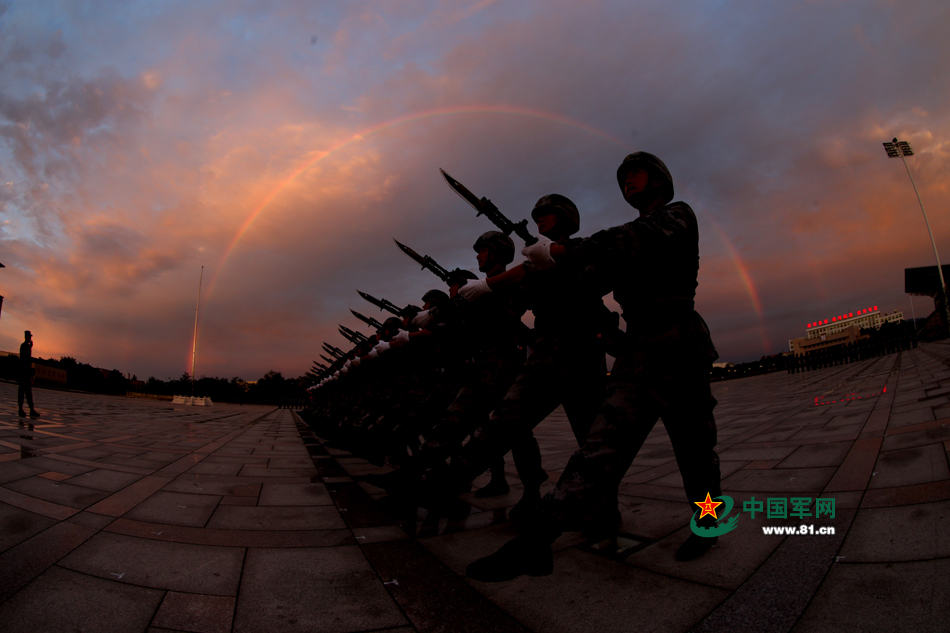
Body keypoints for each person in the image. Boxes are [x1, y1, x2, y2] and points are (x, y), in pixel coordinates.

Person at [464, 152, 721, 581]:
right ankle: (538, 540)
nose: (628, 182)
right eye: (623, 178)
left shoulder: (676, 217)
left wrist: (559, 251)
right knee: (599, 448)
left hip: (680, 347)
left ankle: (708, 523)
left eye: (635, 174)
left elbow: (626, 240)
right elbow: (584, 280)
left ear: (659, 179)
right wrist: (533, 270)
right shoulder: (619, 244)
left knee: (694, 447)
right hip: (640, 352)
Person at [456, 194, 613, 520]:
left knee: (590, 435)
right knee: (512, 423)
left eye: (547, 214)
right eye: (537, 215)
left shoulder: (581, 249)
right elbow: (521, 290)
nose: (539, 219)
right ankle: (529, 493)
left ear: (565, 217)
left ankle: (604, 508)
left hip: (581, 353)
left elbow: (595, 281)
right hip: (549, 355)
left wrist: (553, 261)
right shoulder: (537, 264)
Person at [18, 330, 40, 418]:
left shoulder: (26, 346)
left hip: (25, 372)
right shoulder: (24, 346)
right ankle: (22, 410)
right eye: (29, 336)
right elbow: (26, 359)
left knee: (27, 392)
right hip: (24, 372)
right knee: (24, 392)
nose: (30, 338)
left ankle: (30, 410)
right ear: (26, 337)